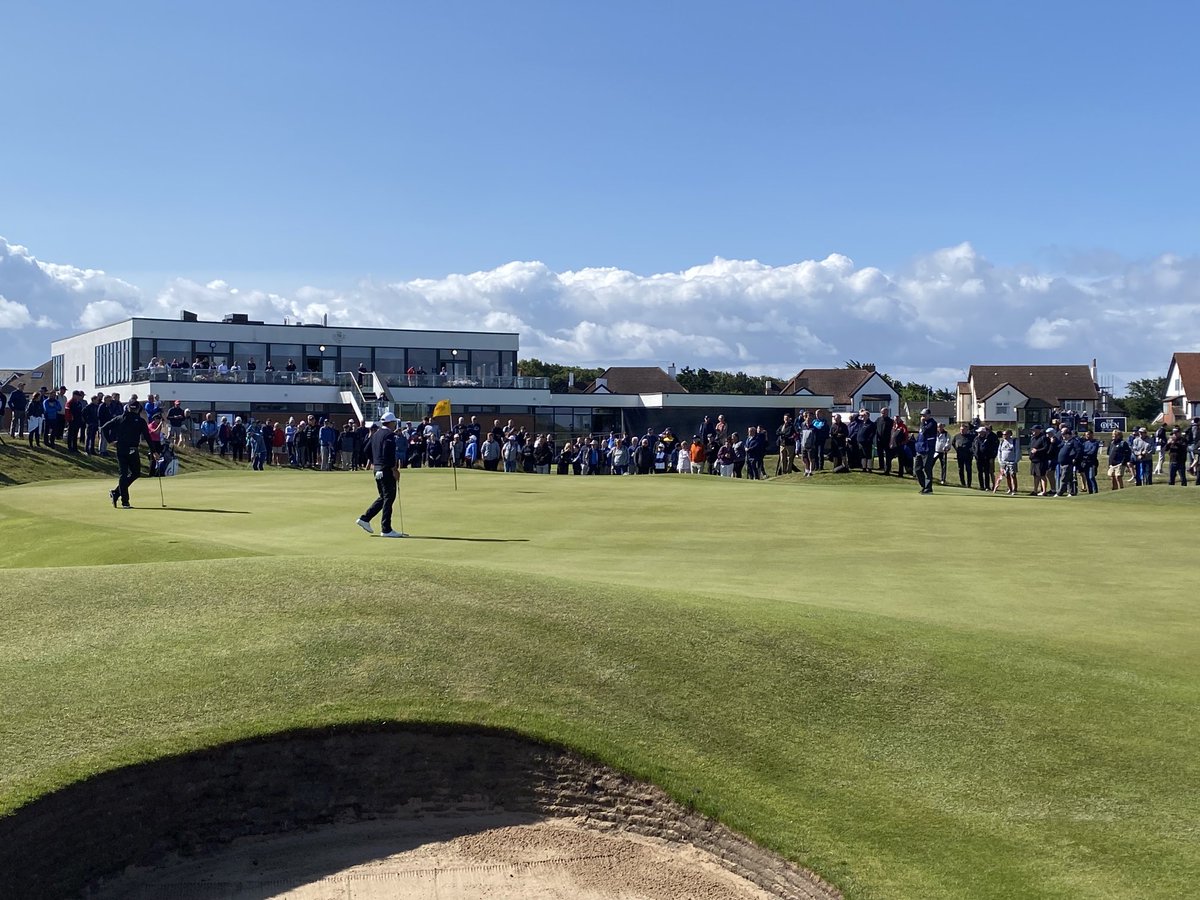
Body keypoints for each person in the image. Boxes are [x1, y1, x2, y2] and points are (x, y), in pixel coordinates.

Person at [356, 411, 404, 537]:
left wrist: (374, 462)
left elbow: (366, 449)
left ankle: (365, 519)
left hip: (377, 469)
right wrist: (394, 469)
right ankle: (386, 529)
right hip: (386, 469)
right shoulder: (389, 435)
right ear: (391, 423)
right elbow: (387, 452)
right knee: (389, 497)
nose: (395, 425)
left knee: (384, 497)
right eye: (394, 422)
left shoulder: (376, 434)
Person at [104, 402, 152, 509]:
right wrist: (154, 451)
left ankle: (116, 493)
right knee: (130, 474)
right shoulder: (139, 421)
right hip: (130, 449)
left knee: (130, 474)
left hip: (122, 449)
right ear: (138, 409)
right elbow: (147, 437)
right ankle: (124, 502)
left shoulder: (120, 418)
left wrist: (110, 441)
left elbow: (104, 428)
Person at [914, 408, 938, 493]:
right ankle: (924, 486)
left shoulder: (932, 423)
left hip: (928, 449)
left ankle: (928, 488)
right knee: (917, 469)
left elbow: (924, 431)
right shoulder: (923, 424)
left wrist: (922, 422)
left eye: (924, 415)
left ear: (929, 415)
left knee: (927, 469)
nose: (923, 417)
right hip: (920, 449)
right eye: (922, 415)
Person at [996, 429, 1019, 495]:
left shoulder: (1014, 441)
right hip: (1004, 461)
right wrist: (1000, 460)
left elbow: (1017, 451)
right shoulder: (1002, 441)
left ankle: (1014, 490)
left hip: (1012, 461)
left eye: (1006, 434)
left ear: (1010, 434)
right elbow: (999, 451)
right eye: (1003, 434)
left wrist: (1015, 460)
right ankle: (1010, 488)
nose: (1004, 436)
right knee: (1007, 475)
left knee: (1013, 475)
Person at [951, 423, 974, 488]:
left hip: (968, 456)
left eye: (963, 430)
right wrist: (957, 449)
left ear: (967, 430)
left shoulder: (971, 436)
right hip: (960, 455)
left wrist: (971, 451)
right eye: (961, 430)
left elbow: (974, 444)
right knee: (960, 469)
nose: (962, 431)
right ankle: (963, 483)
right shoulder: (957, 436)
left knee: (968, 469)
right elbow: (953, 443)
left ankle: (969, 484)